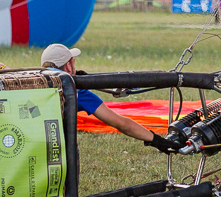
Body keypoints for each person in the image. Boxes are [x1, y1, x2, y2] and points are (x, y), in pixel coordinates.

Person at [40, 44, 183, 153]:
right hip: (57, 149)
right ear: (68, 66)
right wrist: (156, 140)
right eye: (73, 63)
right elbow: (122, 124)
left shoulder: (30, 82)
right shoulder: (77, 91)